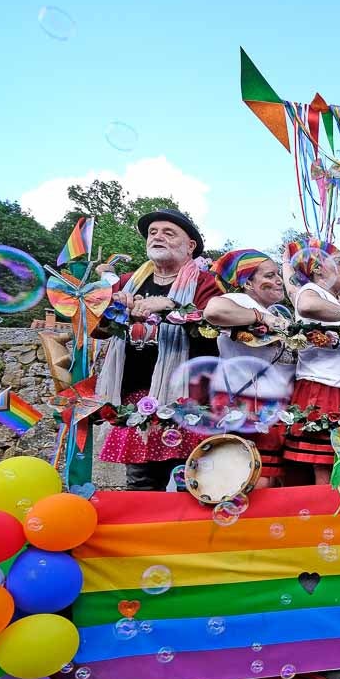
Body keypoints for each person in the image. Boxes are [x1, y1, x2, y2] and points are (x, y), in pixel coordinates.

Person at [95, 209, 223, 491]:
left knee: (191, 486)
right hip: (135, 397)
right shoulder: (128, 281)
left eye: (168, 232)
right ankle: (140, 535)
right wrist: (112, 306)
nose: (157, 237)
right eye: (153, 232)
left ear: (191, 246)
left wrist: (172, 307)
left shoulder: (206, 283)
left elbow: (214, 333)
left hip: (187, 399)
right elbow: (96, 329)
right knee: (140, 485)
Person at [283, 244, 340, 484]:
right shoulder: (311, 290)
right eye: (338, 261)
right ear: (317, 270)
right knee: (325, 465)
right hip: (323, 388)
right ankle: (325, 517)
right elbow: (306, 305)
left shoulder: (333, 302)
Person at [203, 249, 296, 486]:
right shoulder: (241, 302)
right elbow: (213, 311)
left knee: (270, 481)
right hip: (248, 405)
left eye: (278, 274)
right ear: (247, 284)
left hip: (273, 407)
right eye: (269, 275)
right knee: (256, 481)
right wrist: (261, 318)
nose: (278, 281)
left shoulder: (274, 313)